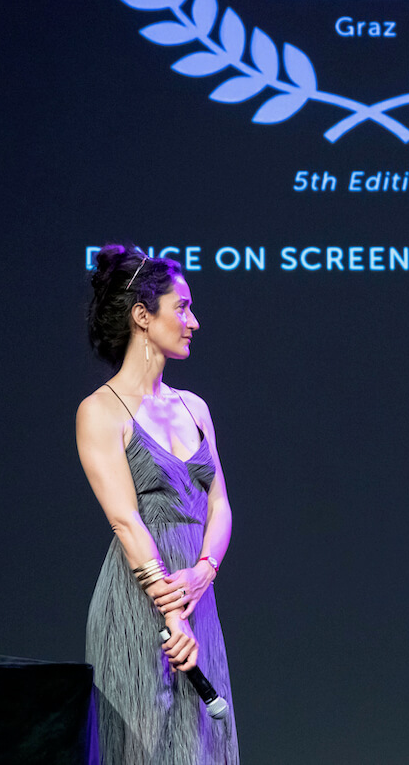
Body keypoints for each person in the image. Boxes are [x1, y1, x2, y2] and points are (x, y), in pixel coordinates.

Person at [78, 245, 238, 763]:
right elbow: (126, 521)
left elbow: (219, 505)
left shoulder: (195, 408)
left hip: (194, 595)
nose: (194, 321)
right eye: (183, 307)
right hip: (141, 598)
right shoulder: (101, 410)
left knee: (203, 743)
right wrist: (173, 618)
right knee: (146, 743)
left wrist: (204, 571)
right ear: (142, 316)